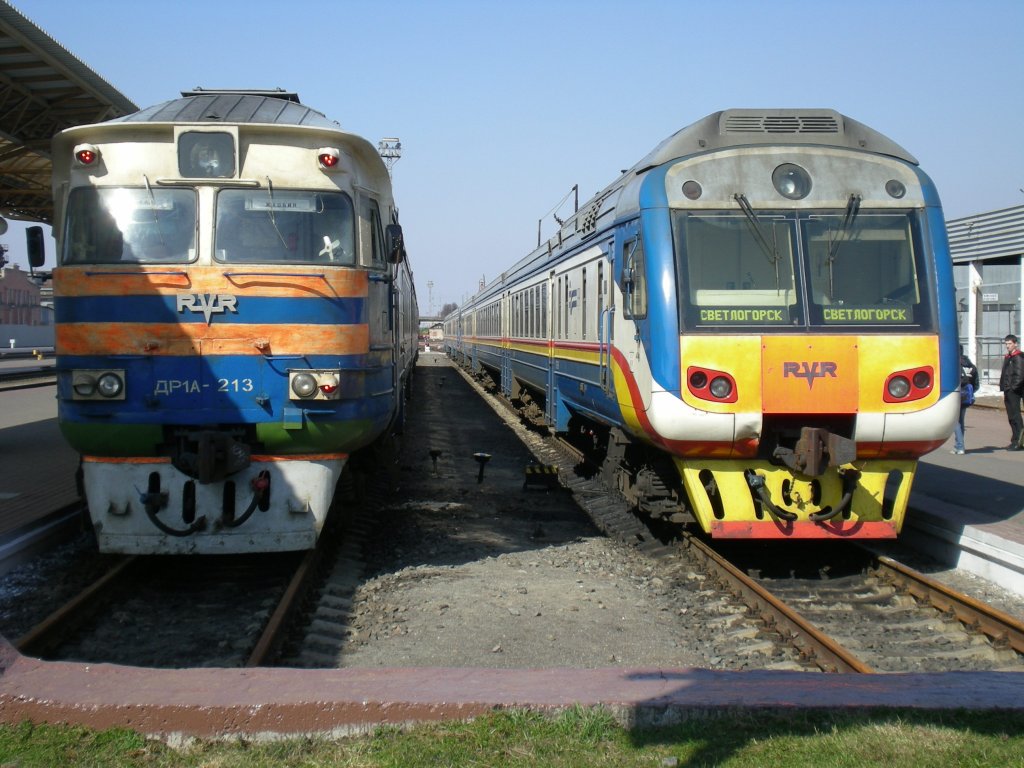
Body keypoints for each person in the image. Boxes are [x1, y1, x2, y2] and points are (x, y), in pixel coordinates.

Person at [951, 344, 979, 455]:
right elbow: (976, 384)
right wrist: (969, 391)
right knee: (961, 421)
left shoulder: (954, 365)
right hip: (966, 396)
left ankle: (960, 446)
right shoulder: (971, 366)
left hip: (955, 396)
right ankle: (959, 445)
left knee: (955, 421)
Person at [999, 334, 1024, 451]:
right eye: (1006, 344)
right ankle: (1015, 439)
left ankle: (1019, 441)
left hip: (1014, 391)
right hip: (1008, 390)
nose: (1007, 346)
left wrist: (1012, 388)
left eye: (1009, 344)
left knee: (1015, 416)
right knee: (1011, 417)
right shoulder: (1008, 357)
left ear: (1015, 344)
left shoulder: (1018, 357)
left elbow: (1019, 375)